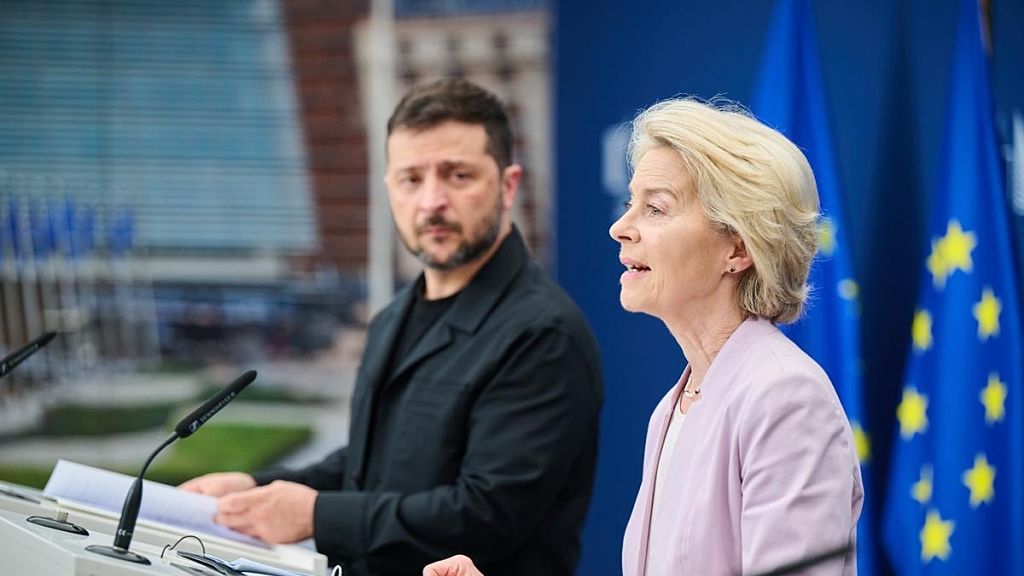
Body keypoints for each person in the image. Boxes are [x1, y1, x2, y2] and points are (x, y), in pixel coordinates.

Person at [179, 78, 604, 576]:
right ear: (388, 187)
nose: (431, 202)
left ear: (509, 185)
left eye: (458, 176)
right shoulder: (392, 319)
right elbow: (370, 467)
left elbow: (487, 515)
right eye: (411, 179)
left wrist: (315, 514)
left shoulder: (542, 334)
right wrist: (256, 490)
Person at [423, 97, 864, 576]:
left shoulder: (785, 399)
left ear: (737, 247)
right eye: (631, 203)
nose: (620, 227)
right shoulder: (674, 407)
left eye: (655, 208)